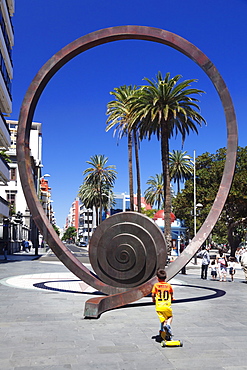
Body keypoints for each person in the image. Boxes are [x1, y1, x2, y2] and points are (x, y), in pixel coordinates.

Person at [152, 269, 174, 339]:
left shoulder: (156, 285)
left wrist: (154, 300)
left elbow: (153, 294)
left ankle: (163, 331)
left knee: (163, 320)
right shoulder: (168, 285)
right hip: (167, 305)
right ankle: (168, 325)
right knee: (170, 317)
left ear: (157, 278)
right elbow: (171, 293)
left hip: (159, 306)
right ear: (166, 277)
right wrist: (172, 298)